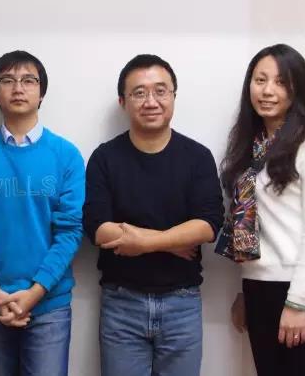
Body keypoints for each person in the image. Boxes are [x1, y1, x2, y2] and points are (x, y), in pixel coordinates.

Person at [83, 54, 224, 376]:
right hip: (122, 304)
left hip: (182, 303)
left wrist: (145, 243)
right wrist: (171, 242)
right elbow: (98, 228)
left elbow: (208, 224)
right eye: (139, 93)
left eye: (161, 91)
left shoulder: (197, 157)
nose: (151, 101)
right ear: (123, 101)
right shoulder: (105, 158)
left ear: (173, 96)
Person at [0, 50, 85, 376]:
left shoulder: (66, 155)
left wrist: (35, 292)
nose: (18, 88)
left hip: (49, 304)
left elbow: (70, 231)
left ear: (42, 92)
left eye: (28, 80)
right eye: (8, 80)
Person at [218, 43, 305, 375]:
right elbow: (253, 229)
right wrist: (247, 290)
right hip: (260, 290)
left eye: (280, 82)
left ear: (298, 88)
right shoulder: (251, 146)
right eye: (260, 80)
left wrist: (297, 302)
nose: (267, 91)